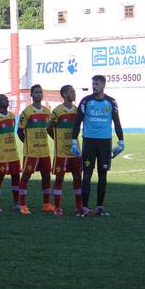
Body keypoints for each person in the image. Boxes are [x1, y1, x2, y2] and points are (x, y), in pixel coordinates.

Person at [72, 75, 124, 217]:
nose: (94, 86)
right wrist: (74, 141)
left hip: (105, 143)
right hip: (89, 142)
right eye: (93, 83)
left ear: (103, 85)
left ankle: (100, 207)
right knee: (87, 174)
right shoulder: (86, 101)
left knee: (103, 175)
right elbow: (77, 123)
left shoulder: (111, 102)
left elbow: (117, 122)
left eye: (97, 83)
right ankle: (84, 207)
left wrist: (121, 141)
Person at [17, 84, 54, 215]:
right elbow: (20, 131)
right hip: (31, 151)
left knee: (46, 176)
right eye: (36, 92)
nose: (39, 94)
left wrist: (55, 139)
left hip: (44, 151)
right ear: (31, 95)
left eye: (40, 92)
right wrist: (27, 143)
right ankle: (22, 205)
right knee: (26, 176)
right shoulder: (26, 112)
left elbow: (49, 129)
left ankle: (46, 204)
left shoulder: (47, 111)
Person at [47, 85, 83, 216]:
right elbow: (49, 128)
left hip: (75, 151)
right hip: (61, 152)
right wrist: (57, 140)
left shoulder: (77, 110)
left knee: (78, 177)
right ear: (63, 94)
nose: (73, 93)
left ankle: (79, 206)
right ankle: (57, 207)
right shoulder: (57, 111)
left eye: (74, 91)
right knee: (59, 178)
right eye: (71, 91)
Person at [0, 94, 21, 213]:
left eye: (6, 99)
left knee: (16, 177)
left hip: (13, 153)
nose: (6, 100)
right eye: (3, 99)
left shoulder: (12, 116)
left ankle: (16, 203)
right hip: (2, 154)